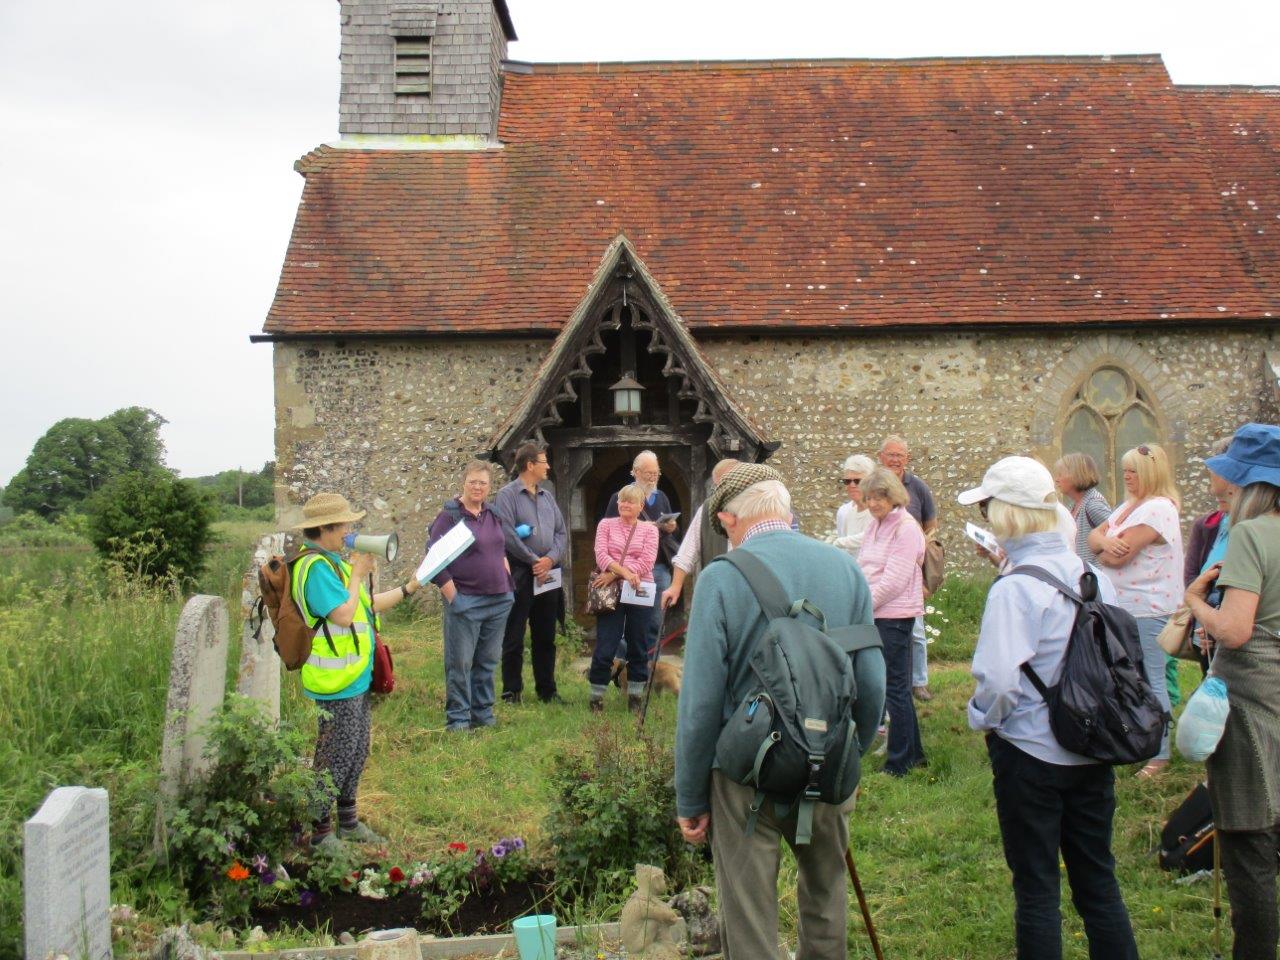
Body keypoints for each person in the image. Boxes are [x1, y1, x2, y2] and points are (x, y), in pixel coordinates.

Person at [675, 463, 875, 960]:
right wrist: (849, 752)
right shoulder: (846, 570)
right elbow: (872, 680)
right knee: (827, 900)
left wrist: (690, 797)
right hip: (829, 760)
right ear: (786, 512)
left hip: (746, 773)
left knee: (749, 918)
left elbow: (700, 702)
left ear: (728, 520)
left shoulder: (721, 579)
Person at [961, 457, 1139, 960]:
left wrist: (982, 719)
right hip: (1090, 744)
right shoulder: (1089, 574)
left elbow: (997, 683)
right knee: (1098, 882)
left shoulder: (1014, 589)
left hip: (1030, 752)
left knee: (1037, 889)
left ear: (1006, 515)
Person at [1184, 423, 1280, 960]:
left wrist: (1197, 602)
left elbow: (1236, 630)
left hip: (1251, 703)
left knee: (1250, 845)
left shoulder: (1251, 534)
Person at [290, 492, 422, 852]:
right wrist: (358, 574)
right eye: (344, 524)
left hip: (354, 677)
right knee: (333, 756)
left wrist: (409, 588)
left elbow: (367, 605)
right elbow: (343, 615)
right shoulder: (314, 567)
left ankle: (347, 822)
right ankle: (319, 832)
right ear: (326, 529)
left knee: (356, 749)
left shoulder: (334, 564)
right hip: (334, 681)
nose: (350, 529)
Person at [1088, 442, 1183, 776]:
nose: (1127, 477)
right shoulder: (1129, 507)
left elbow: (1119, 555)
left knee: (1152, 678)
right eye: (1125, 470)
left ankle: (1160, 753)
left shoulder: (1157, 508)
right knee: (1132, 677)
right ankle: (1139, 741)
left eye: (1134, 472)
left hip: (1150, 606)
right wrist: (1102, 545)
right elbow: (1094, 538)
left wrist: (1103, 549)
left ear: (1150, 473)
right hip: (1127, 605)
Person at [427, 461, 515, 732]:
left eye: (483, 483)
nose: (478, 487)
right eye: (473, 482)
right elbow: (433, 560)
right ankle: (459, 719)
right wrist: (454, 597)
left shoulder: (493, 513)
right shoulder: (450, 516)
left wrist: (508, 584)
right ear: (463, 483)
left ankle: (483, 714)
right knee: (460, 663)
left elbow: (500, 550)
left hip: (498, 600)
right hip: (466, 600)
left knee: (487, 661)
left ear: (490, 487)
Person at [858, 466, 927, 777]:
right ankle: (914, 754)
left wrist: (862, 606)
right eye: (869, 498)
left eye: (879, 497)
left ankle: (899, 763)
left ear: (893, 496)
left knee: (895, 689)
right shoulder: (876, 525)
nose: (873, 504)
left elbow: (894, 582)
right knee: (894, 686)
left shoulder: (906, 528)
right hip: (878, 614)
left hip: (895, 615)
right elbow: (865, 567)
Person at [493, 442, 568, 705]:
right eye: (544, 461)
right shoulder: (507, 496)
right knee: (514, 635)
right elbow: (506, 534)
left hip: (547, 575)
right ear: (530, 465)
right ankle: (512, 691)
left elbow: (561, 532)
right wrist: (534, 560)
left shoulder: (548, 497)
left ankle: (547, 691)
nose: (548, 466)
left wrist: (549, 559)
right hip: (520, 575)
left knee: (545, 635)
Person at [589, 483, 660, 713]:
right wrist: (624, 573)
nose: (624, 505)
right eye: (621, 500)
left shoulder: (650, 530)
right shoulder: (605, 525)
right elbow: (601, 554)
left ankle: (636, 699)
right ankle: (596, 698)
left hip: (640, 590)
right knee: (606, 644)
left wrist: (615, 573)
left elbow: (647, 560)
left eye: (630, 501)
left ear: (640, 506)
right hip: (611, 594)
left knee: (638, 644)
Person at [879, 435, 937, 701]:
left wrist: (921, 549)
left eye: (900, 455)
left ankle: (919, 681)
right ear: (881, 457)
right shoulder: (876, 486)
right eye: (891, 455)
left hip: (911, 566)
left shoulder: (919, 488)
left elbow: (931, 525)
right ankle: (884, 680)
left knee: (916, 629)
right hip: (882, 566)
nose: (895, 460)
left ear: (907, 458)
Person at [605, 451, 680, 651]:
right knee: (626, 621)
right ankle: (623, 666)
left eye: (656, 472)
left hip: (658, 567)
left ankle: (648, 667)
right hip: (627, 571)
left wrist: (671, 527)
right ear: (636, 472)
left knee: (655, 619)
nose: (654, 477)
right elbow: (609, 530)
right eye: (649, 473)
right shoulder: (619, 498)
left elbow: (670, 531)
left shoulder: (661, 497)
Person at [661, 458, 739, 611]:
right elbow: (687, 553)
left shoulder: (757, 509)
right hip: (717, 590)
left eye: (724, 485)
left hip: (747, 591)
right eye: (717, 487)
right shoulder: (707, 509)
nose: (719, 491)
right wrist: (675, 586)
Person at [1184, 438, 1235, 669]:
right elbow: (1192, 581)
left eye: (1221, 476)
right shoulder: (1207, 526)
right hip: (1208, 636)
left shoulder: (1257, 532)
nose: (1214, 489)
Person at [1052, 452, 1112, 564]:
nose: (1056, 479)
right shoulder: (1072, 507)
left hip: (1093, 576)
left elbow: (1115, 532)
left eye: (1061, 474)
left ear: (1076, 475)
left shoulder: (1093, 504)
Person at [833, 454, 875, 557]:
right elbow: (845, 551)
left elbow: (871, 536)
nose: (852, 485)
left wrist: (837, 542)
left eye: (858, 481)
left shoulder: (879, 511)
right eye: (847, 481)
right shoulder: (847, 513)